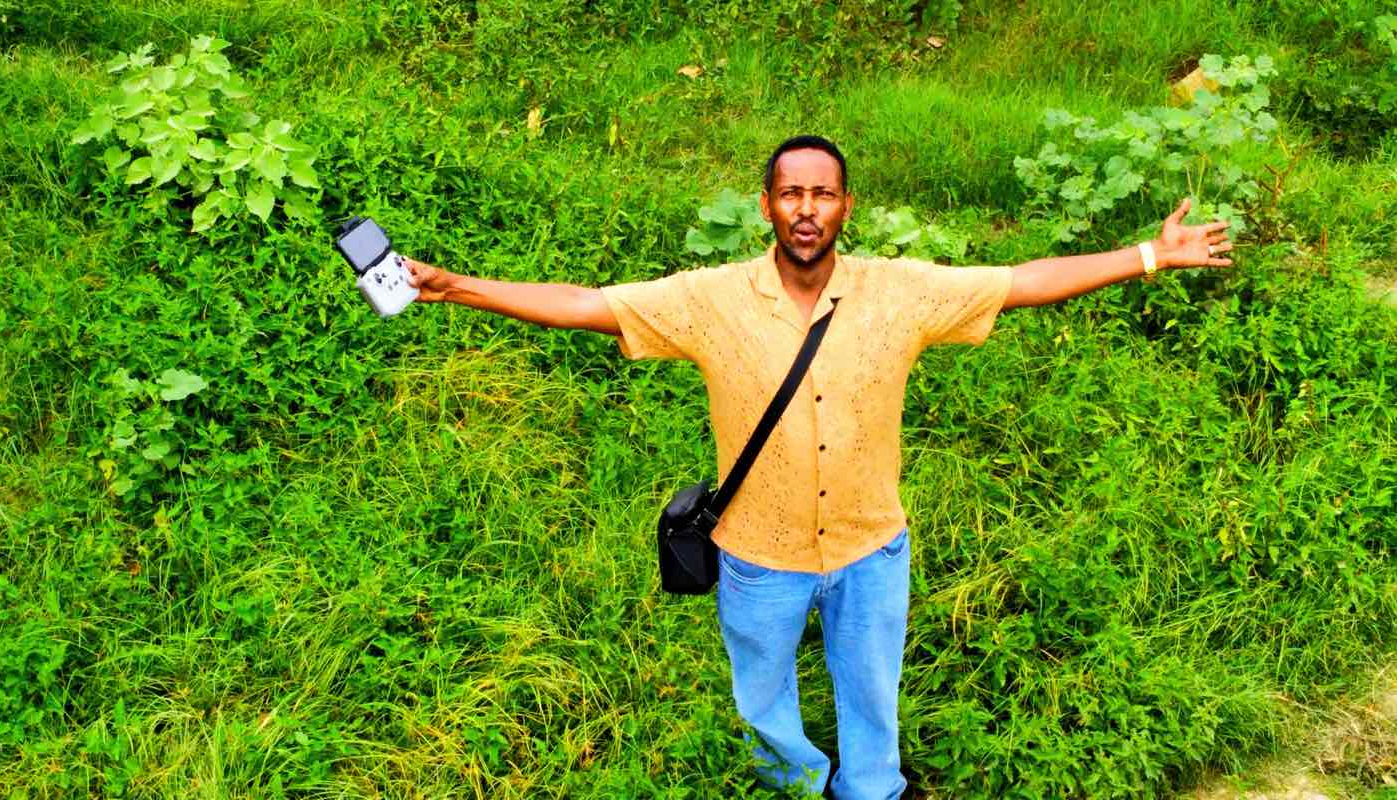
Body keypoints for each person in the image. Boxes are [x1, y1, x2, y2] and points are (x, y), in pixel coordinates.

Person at [400, 135, 1234, 799]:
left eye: (823, 193)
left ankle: (872, 789)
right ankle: (795, 782)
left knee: (871, 691)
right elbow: (589, 304)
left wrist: (1148, 257)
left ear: (845, 205)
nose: (807, 209)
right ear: (767, 205)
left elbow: (1020, 282)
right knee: (763, 697)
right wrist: (456, 286)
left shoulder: (901, 290)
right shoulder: (711, 298)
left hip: (872, 548)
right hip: (758, 556)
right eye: (791, 193)